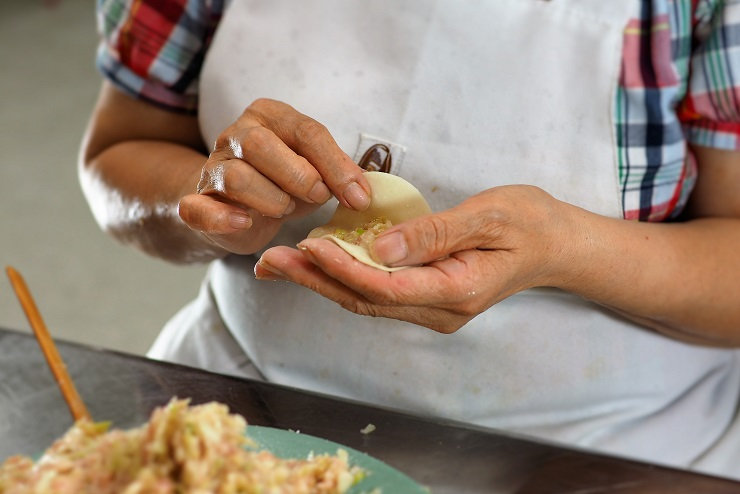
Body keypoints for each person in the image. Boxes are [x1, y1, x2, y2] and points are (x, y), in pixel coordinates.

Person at [80, 0, 740, 481]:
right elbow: (119, 152)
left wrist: (569, 248)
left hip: (605, 453)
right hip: (248, 420)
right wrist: (210, 199)